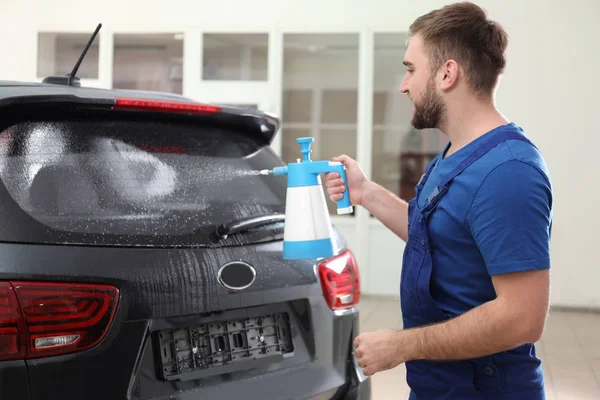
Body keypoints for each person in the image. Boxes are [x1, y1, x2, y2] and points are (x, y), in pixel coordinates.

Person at [325, 2, 553, 399]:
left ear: (448, 73)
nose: (403, 85)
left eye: (411, 69)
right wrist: (366, 193)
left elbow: (522, 319)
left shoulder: (508, 173)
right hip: (440, 385)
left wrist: (401, 345)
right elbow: (433, 234)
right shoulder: (454, 154)